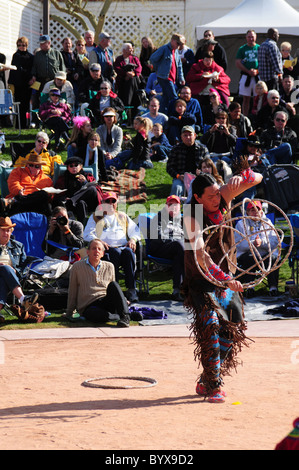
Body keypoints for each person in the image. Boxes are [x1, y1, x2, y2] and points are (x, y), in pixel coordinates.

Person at [182, 166, 263, 403]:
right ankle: (215, 385)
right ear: (197, 198)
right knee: (210, 323)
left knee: (232, 326)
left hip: (226, 276)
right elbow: (201, 257)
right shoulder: (191, 215)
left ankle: (207, 379)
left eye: (218, 193)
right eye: (210, 196)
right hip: (202, 280)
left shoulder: (222, 195)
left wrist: (245, 175)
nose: (217, 199)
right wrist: (226, 279)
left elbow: (257, 179)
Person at [65, 238, 140, 327]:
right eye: (93, 248)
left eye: (99, 249)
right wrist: (69, 312)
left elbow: (114, 289)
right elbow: (73, 290)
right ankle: (126, 315)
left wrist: (123, 299)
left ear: (102, 254)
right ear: (88, 252)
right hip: (88, 305)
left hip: (105, 300)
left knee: (114, 284)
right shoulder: (77, 267)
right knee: (97, 316)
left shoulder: (109, 266)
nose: (96, 251)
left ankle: (125, 317)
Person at [83, 191, 142, 303]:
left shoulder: (122, 216)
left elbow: (136, 231)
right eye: (107, 201)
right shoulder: (96, 216)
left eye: (113, 201)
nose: (110, 204)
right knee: (115, 253)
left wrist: (132, 239)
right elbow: (87, 235)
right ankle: (115, 290)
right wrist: (99, 242)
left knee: (129, 253)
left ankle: (132, 290)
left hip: (123, 247)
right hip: (106, 250)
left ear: (116, 203)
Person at [234, 200, 279, 298]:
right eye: (252, 210)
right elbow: (238, 243)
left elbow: (275, 241)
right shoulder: (241, 224)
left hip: (265, 253)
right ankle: (250, 287)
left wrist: (261, 242)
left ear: (261, 211)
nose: (255, 212)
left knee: (274, 259)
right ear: (247, 212)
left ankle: (273, 288)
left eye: (257, 210)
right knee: (250, 258)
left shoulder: (267, 222)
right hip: (248, 253)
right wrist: (252, 243)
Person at [0, 216, 39, 322]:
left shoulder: (18, 246)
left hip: (13, 278)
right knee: (4, 269)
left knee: (3, 277)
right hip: (10, 279)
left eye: (8, 230)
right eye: (3, 230)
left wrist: (15, 271)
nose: (6, 233)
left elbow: (23, 268)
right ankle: (23, 299)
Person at [148, 195, 184, 301]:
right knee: (179, 245)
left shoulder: (181, 219)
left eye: (176, 205)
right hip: (159, 249)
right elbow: (157, 236)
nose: (173, 207)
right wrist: (173, 236)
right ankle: (185, 287)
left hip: (177, 250)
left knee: (182, 253)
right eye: (170, 204)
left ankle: (177, 290)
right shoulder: (158, 218)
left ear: (179, 207)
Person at [53, 155, 103, 223]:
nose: (74, 168)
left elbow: (97, 190)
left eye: (76, 165)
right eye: (71, 166)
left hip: (88, 203)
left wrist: (85, 182)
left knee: (92, 189)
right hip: (69, 205)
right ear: (67, 168)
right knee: (80, 203)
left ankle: (72, 200)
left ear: (81, 166)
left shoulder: (87, 176)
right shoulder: (63, 178)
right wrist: (64, 198)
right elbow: (57, 193)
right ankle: (81, 225)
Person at [166, 125, 209, 197]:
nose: (188, 137)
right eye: (185, 135)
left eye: (190, 135)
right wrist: (178, 176)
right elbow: (169, 167)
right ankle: (172, 207)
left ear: (195, 135)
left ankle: (197, 208)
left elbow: (209, 166)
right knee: (177, 188)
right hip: (181, 177)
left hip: (199, 177)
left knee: (201, 192)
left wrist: (201, 174)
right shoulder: (176, 149)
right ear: (181, 137)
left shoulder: (203, 149)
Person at [29, 35, 66, 114]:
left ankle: (57, 116)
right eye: (40, 44)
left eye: (43, 43)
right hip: (40, 81)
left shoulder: (57, 53)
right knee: (38, 99)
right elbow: (34, 67)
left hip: (54, 81)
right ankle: (37, 119)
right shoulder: (38, 55)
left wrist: (62, 80)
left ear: (49, 43)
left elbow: (62, 68)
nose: (41, 45)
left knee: (55, 99)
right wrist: (33, 76)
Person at [150, 33, 185, 113]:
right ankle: (177, 113)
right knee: (174, 97)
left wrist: (181, 78)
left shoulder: (176, 52)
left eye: (180, 44)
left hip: (172, 78)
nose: (178, 46)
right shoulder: (164, 49)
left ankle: (163, 113)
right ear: (172, 41)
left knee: (165, 98)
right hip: (164, 77)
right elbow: (153, 59)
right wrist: (158, 69)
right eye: (178, 43)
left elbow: (179, 66)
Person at [8, 36, 34, 128]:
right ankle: (18, 125)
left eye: (23, 45)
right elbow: (15, 70)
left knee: (26, 106)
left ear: (26, 45)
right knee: (18, 105)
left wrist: (32, 78)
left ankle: (25, 124)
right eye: (19, 45)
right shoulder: (16, 55)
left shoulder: (31, 56)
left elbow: (32, 69)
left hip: (27, 84)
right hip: (18, 85)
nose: (21, 47)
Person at [114, 43, 143, 116]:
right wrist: (126, 74)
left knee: (132, 80)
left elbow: (139, 68)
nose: (132, 50)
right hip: (122, 83)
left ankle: (132, 106)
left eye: (132, 48)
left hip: (134, 83)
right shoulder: (119, 59)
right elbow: (117, 68)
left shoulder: (134, 58)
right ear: (124, 50)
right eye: (130, 49)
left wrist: (132, 74)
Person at [235, 30, 260, 116]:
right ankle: (245, 116)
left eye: (252, 36)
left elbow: (264, 62)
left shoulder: (259, 48)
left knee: (259, 97)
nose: (251, 38)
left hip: (258, 76)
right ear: (246, 38)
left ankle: (258, 115)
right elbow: (238, 62)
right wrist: (248, 71)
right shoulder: (242, 49)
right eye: (249, 37)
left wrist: (257, 71)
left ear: (255, 37)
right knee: (246, 99)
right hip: (246, 76)